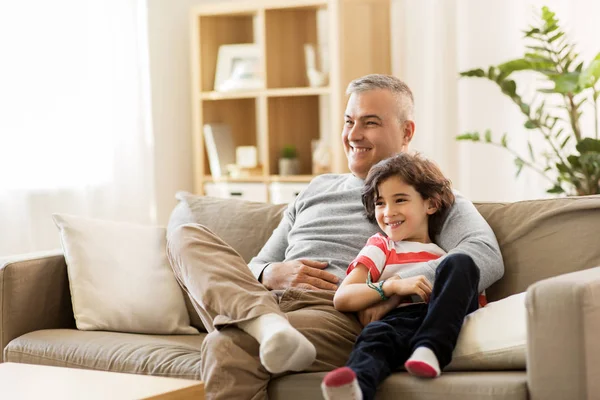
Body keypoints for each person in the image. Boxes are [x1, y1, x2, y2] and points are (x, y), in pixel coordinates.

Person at [166, 74, 504, 400]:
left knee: (226, 344)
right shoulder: (316, 188)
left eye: (370, 122)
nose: (353, 134)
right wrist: (270, 273)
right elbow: (257, 263)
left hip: (333, 315)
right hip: (264, 301)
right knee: (185, 235)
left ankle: (261, 327)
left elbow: (483, 254)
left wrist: (392, 290)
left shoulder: (422, 196)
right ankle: (264, 324)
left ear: (406, 132)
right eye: (348, 121)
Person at [321, 153, 483, 400]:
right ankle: (355, 390)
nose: (388, 212)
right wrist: (393, 287)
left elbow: (468, 297)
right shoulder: (382, 246)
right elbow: (342, 297)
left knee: (462, 262)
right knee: (375, 338)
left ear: (430, 204)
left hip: (441, 317)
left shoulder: (445, 255)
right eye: (380, 203)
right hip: (397, 322)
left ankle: (430, 349)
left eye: (400, 200)